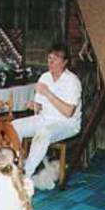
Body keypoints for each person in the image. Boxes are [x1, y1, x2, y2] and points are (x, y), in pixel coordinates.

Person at [12, 43, 82, 179]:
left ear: (65, 62)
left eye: (55, 59)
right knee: (15, 126)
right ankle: (15, 165)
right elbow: (41, 106)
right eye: (49, 58)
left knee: (43, 133)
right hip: (44, 118)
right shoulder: (45, 77)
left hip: (66, 123)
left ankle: (26, 173)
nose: (51, 62)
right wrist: (35, 106)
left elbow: (68, 112)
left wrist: (48, 93)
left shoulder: (72, 81)